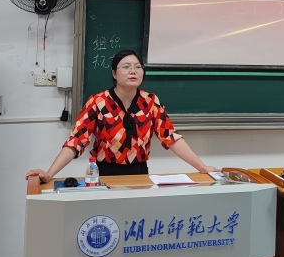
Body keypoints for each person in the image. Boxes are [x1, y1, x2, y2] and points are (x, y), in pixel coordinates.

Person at [26, 49, 217, 182]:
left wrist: (202, 167)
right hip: (104, 172)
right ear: (114, 74)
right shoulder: (98, 102)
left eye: (138, 67)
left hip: (140, 171)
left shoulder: (150, 101)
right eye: (126, 66)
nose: (133, 71)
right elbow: (77, 141)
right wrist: (49, 174)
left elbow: (171, 137)